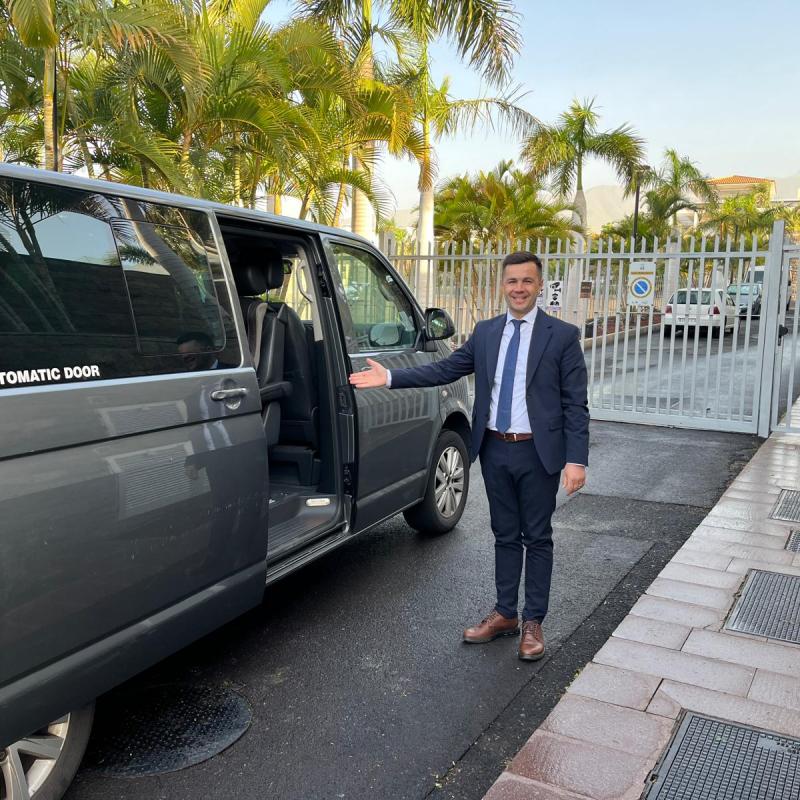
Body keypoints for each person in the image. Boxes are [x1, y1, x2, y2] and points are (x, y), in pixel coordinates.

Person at [349, 251, 589, 661]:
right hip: (494, 449)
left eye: (527, 281)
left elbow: (575, 404)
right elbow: (445, 369)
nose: (518, 288)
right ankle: (505, 614)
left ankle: (534, 622)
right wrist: (390, 376)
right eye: (512, 281)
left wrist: (576, 459)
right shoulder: (487, 332)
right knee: (504, 534)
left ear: (538, 285)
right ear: (503, 285)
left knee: (538, 537)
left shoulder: (561, 336)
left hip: (538, 453)